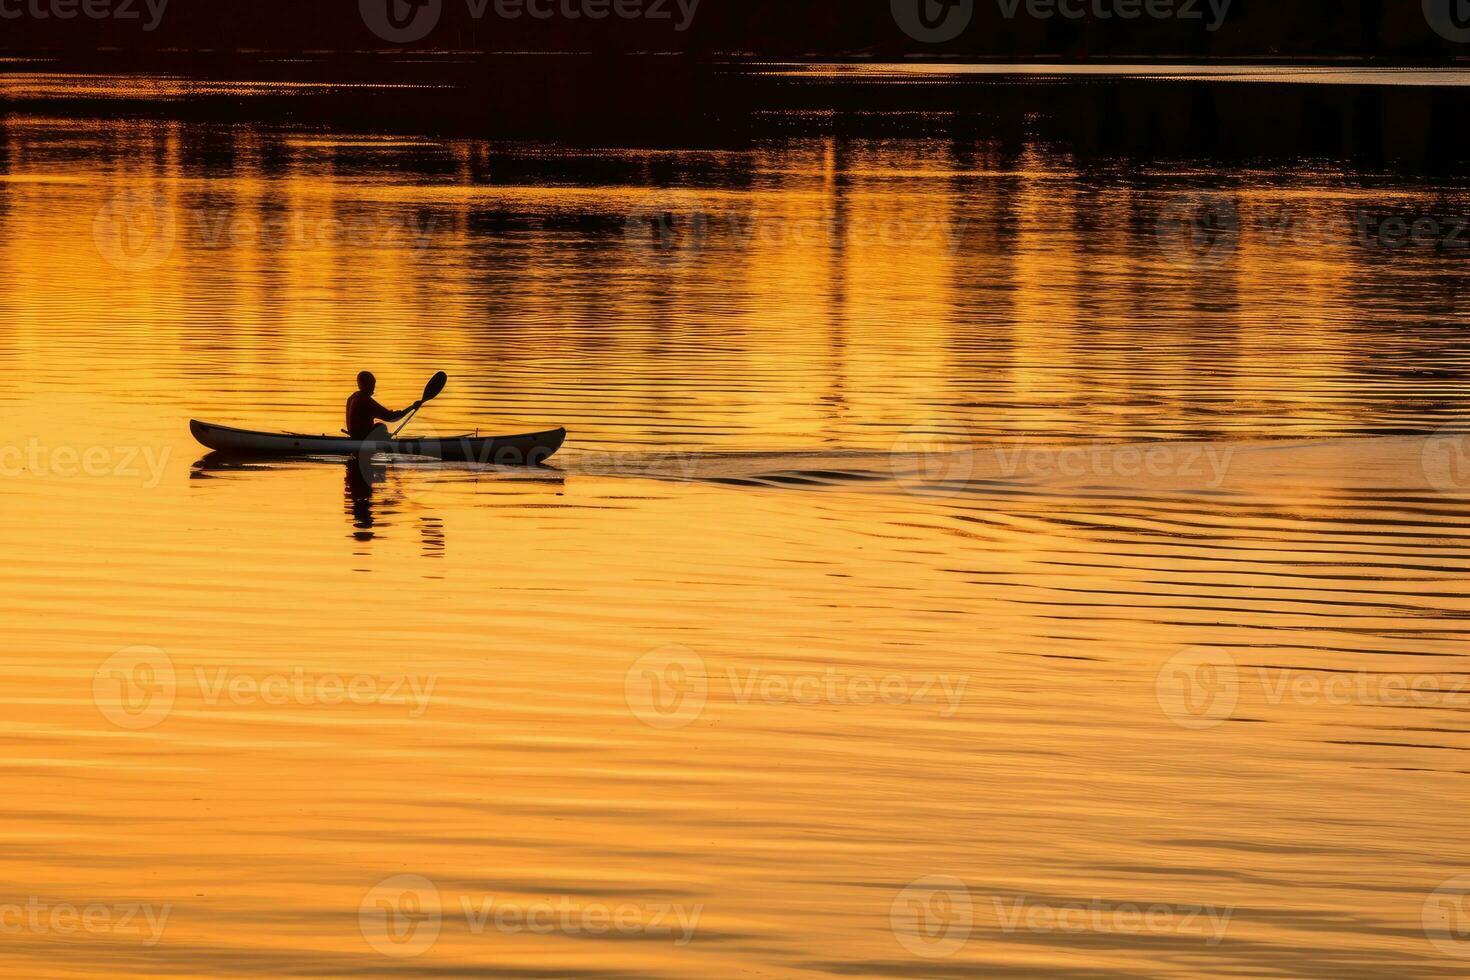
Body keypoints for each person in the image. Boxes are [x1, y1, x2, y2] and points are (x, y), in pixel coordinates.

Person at [345, 372, 421, 440]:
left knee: (379, 426)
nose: (373, 388)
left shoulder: (352, 397)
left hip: (355, 437)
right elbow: (390, 417)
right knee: (381, 427)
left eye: (373, 384)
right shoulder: (364, 400)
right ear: (364, 384)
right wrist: (412, 407)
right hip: (362, 439)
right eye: (372, 384)